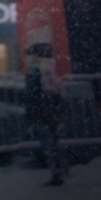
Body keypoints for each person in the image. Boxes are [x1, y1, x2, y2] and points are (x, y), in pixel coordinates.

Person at [25, 41, 67, 186]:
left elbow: (35, 93)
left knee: (49, 142)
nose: (30, 58)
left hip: (44, 110)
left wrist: (33, 110)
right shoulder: (50, 67)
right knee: (54, 140)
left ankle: (57, 173)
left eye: (32, 54)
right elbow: (57, 90)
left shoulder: (38, 70)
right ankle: (60, 170)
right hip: (51, 109)